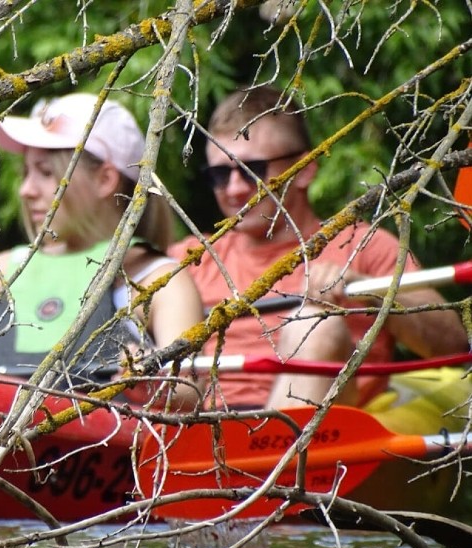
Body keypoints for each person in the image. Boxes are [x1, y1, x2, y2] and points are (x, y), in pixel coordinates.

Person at [168, 86, 468, 410]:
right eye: (219, 174)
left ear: (306, 169)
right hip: (206, 434)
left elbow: (453, 345)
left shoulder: (364, 246)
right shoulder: (187, 260)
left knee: (315, 324)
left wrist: (367, 291)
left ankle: (270, 454)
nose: (234, 188)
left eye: (252, 170)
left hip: (328, 442)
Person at [0, 93, 204, 405]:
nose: (26, 190)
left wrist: (151, 379)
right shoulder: (5, 270)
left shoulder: (158, 279)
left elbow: (191, 394)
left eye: (46, 173)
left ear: (104, 180)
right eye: (26, 172)